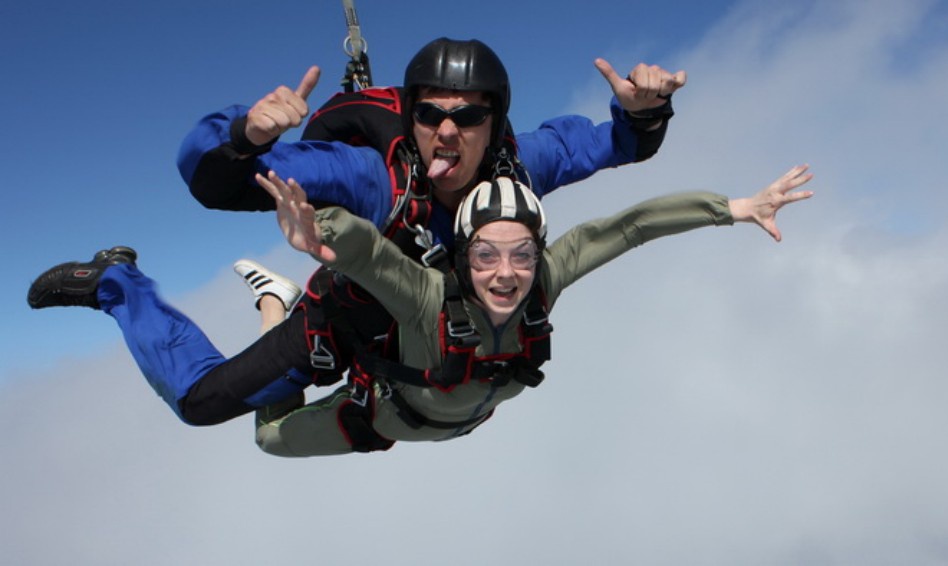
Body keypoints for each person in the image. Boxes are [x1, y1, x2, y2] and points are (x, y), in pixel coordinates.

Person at [174, 36, 687, 406]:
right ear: (410, 119)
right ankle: (134, 283)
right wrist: (242, 136)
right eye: (428, 115)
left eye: (468, 116)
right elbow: (220, 184)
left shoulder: (519, 168)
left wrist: (643, 112)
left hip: (430, 344)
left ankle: (273, 303)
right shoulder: (372, 178)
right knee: (203, 402)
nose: (446, 132)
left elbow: (611, 145)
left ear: (494, 125)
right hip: (351, 322)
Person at [248, 165, 814, 456]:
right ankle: (275, 303)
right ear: (462, 256)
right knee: (269, 437)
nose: (506, 273)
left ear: (538, 254)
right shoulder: (426, 295)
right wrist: (322, 230)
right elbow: (370, 254)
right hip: (381, 420)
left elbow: (630, 227)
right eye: (486, 255)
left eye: (522, 254)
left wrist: (735, 209)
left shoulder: (544, 282)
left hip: (461, 423)